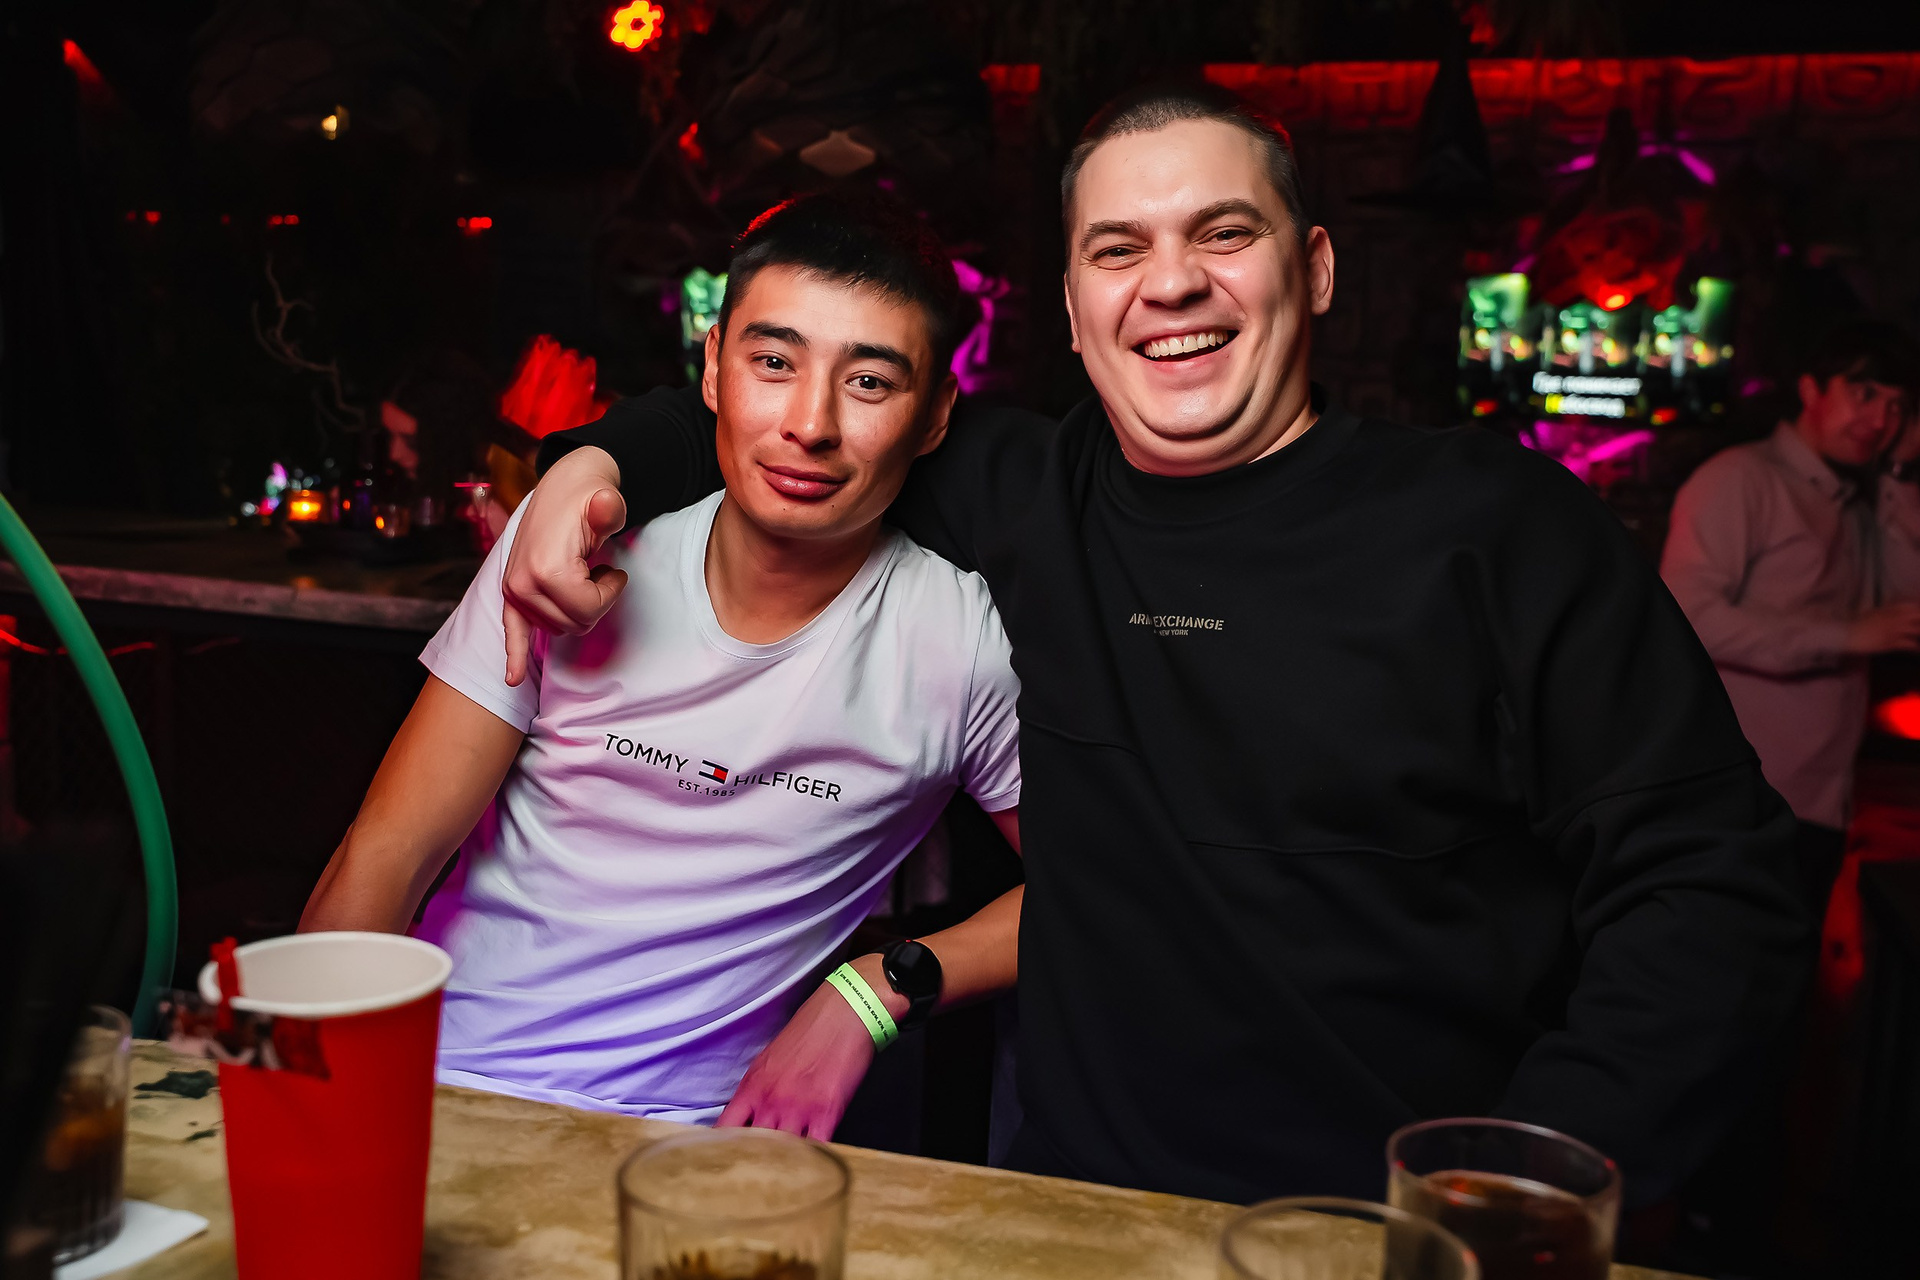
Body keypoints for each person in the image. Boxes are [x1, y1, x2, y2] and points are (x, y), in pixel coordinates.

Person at [502, 82, 1811, 1206]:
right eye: (1118, 248)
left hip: (1393, 1230)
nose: (1171, 281)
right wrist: (590, 464)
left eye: (1223, 233)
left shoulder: (1497, 528)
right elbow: (778, 419)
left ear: (1316, 270)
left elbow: (1712, 887)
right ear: (1075, 312)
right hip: (1078, 1212)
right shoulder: (1020, 493)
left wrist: (1520, 1188)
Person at [300, 192, 1024, 1134]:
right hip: (436, 1083)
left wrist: (875, 991)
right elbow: (388, 853)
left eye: (870, 383)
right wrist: (303, 1101)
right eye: (774, 363)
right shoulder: (574, 551)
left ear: (933, 418)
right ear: (713, 369)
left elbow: (1099, 893)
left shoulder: (957, 642)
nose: (810, 423)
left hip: (697, 1144)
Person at [1662, 320, 1920, 917]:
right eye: (1864, 393)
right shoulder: (1740, 478)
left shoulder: (1855, 496)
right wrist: (1848, 635)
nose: (1880, 420)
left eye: (1897, 406)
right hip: (1738, 798)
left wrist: (1901, 473)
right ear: (1811, 390)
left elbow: (1907, 605)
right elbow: (1689, 618)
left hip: (1821, 803)